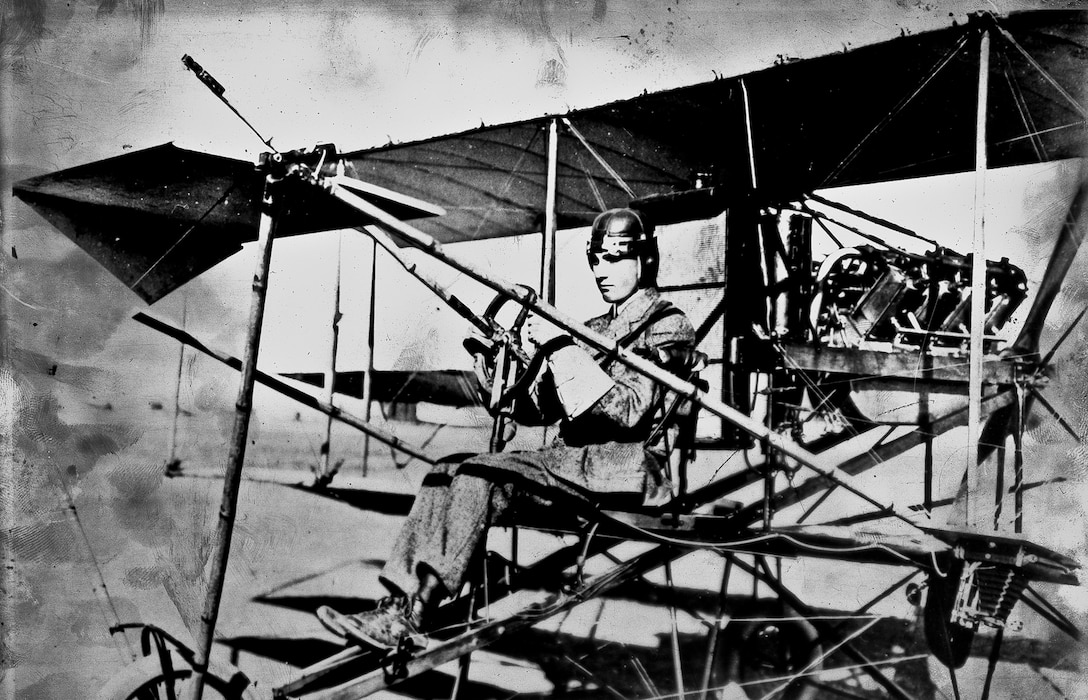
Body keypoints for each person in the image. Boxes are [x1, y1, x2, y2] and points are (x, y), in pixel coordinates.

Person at [316, 207, 696, 649]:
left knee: (480, 477)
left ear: (645, 261)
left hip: (621, 471)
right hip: (571, 467)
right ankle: (400, 603)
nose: (600, 271)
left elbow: (629, 409)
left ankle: (416, 614)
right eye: (594, 259)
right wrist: (500, 369)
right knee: (446, 469)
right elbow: (543, 410)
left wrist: (561, 349)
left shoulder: (668, 326)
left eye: (613, 258)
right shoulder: (593, 329)